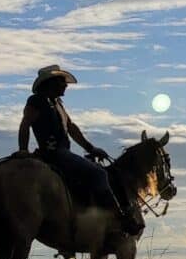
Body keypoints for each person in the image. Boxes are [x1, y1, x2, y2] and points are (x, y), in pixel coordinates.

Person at [16, 65, 141, 245]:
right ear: (51, 83)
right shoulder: (36, 101)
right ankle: (120, 218)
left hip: (63, 152)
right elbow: (25, 124)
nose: (65, 86)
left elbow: (72, 128)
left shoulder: (57, 104)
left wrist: (91, 148)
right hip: (54, 154)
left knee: (91, 172)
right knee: (99, 174)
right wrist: (23, 150)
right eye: (62, 82)